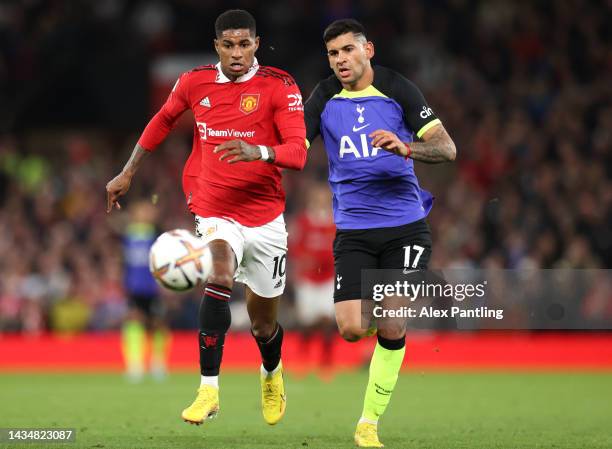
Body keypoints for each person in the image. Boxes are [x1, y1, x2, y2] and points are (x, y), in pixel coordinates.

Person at [106, 9, 307, 427]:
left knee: (263, 325)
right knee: (218, 274)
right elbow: (162, 121)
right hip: (214, 207)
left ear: (257, 43)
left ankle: (271, 372)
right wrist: (128, 171)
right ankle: (208, 389)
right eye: (228, 44)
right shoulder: (194, 81)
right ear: (217, 45)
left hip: (266, 216)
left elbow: (298, 152)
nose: (237, 53)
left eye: (245, 44)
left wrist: (261, 152)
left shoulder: (280, 85)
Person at [304, 19, 456, 447]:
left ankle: (368, 422)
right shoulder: (322, 96)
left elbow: (447, 149)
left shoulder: (399, 89)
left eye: (348, 50)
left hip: (405, 227)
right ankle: (385, 312)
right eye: (333, 54)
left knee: (390, 323)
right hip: (353, 230)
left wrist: (406, 147)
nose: (341, 61)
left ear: (367, 49)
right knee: (352, 330)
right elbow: (296, 143)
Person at [288, 182, 336, 377]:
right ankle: (303, 356)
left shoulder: (334, 223)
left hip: (327, 278)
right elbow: (295, 246)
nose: (320, 201)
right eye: (317, 198)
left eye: (323, 198)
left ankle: (326, 362)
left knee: (326, 319)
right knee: (307, 322)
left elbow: (337, 249)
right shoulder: (303, 222)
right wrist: (303, 260)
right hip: (308, 278)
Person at [121, 201, 169, 382]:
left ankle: (158, 363)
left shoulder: (158, 234)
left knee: (157, 323)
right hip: (134, 286)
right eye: (142, 210)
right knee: (134, 321)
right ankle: (135, 364)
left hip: (153, 286)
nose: (145, 214)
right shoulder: (127, 234)